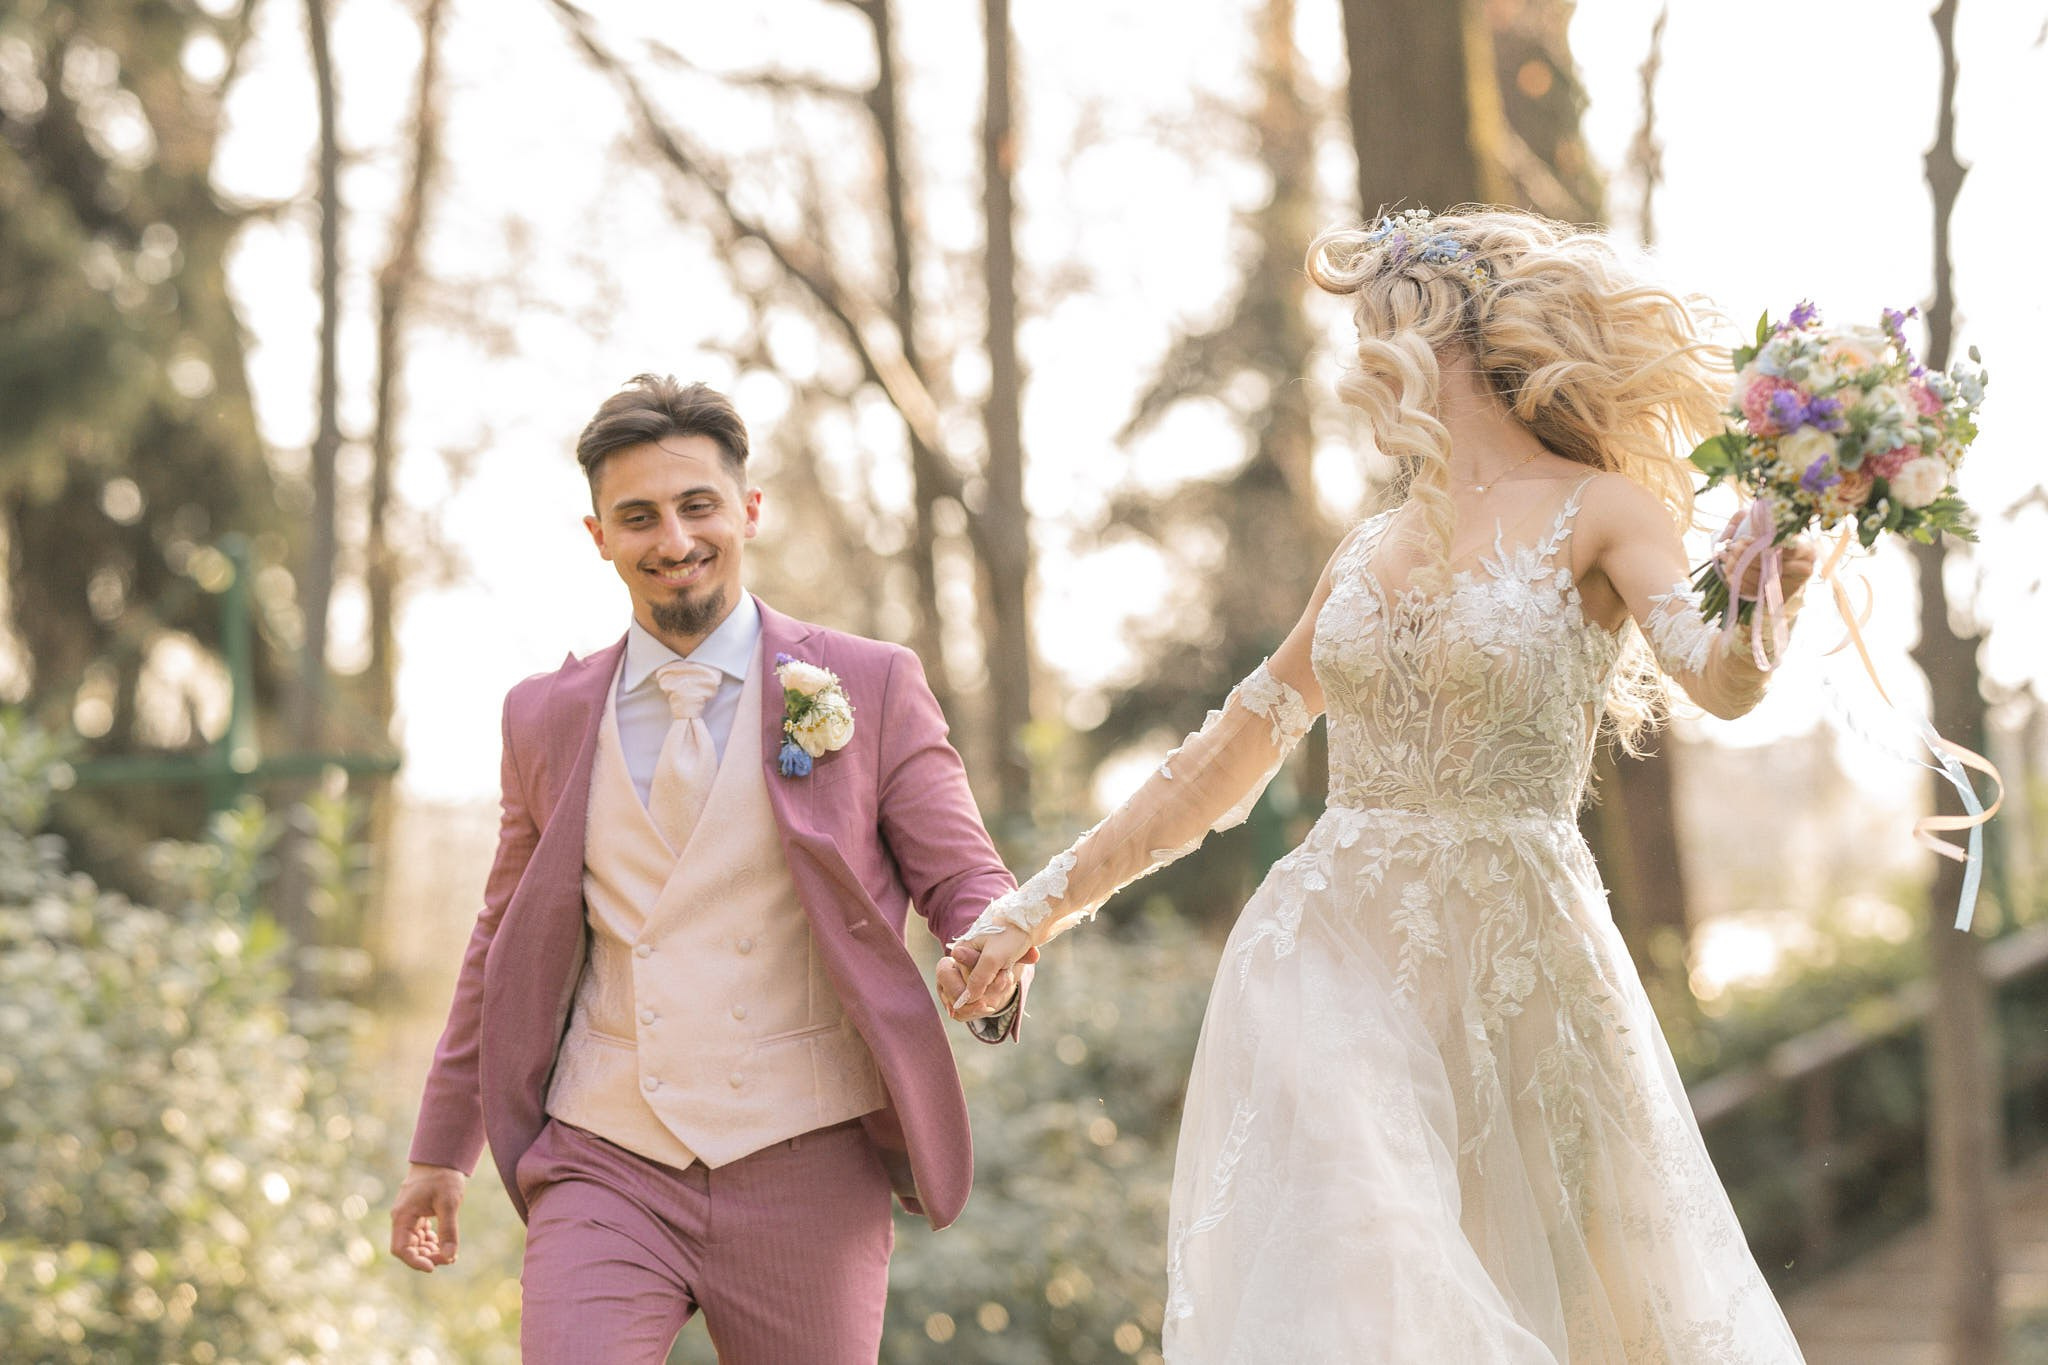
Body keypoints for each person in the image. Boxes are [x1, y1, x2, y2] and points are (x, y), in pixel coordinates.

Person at [947, 207, 1817, 1362]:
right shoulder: (1364, 551)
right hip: (1328, 951)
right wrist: (1029, 910)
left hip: (1521, 969)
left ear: (1425, 332)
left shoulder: (1599, 510)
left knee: (1586, 1304)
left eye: (1368, 329)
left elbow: (1718, 678)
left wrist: (1775, 571)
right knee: (1372, 1248)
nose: (1354, 363)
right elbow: (1216, 764)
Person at [390, 375, 1029, 1364]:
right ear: (599, 535)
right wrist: (440, 1149)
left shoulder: (868, 685)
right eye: (637, 517)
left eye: (697, 507)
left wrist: (994, 947)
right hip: (605, 1157)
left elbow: (963, 879)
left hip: (805, 1158)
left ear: (749, 510)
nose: (673, 539)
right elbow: (500, 940)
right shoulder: (542, 716)